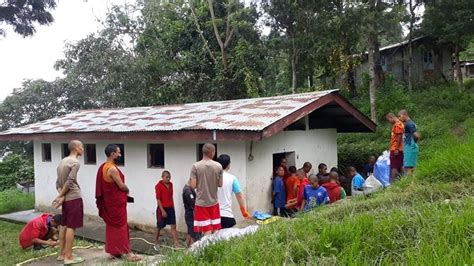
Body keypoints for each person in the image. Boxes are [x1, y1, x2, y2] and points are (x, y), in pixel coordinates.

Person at [95, 144, 141, 261]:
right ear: (112, 154)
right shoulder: (112, 169)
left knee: (111, 227)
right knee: (121, 227)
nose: (120, 155)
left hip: (110, 203)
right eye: (118, 153)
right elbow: (121, 185)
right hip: (116, 204)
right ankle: (126, 253)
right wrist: (127, 189)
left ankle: (113, 251)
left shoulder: (103, 167)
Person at [53, 140, 84, 264]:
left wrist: (61, 196)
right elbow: (70, 181)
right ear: (76, 148)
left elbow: (57, 183)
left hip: (66, 198)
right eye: (81, 147)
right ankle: (69, 257)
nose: (83, 149)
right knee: (72, 226)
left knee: (64, 225)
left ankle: (62, 254)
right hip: (73, 198)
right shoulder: (75, 162)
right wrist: (61, 195)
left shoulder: (62, 161)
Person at [190, 143, 223, 235]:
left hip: (201, 203)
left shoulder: (196, 166)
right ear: (212, 153)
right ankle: (216, 247)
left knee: (206, 230)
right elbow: (220, 184)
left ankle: (207, 248)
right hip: (214, 202)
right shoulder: (218, 166)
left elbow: (193, 185)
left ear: (203, 152)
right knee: (215, 229)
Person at [216, 154, 250, 229]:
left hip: (213, 216)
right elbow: (239, 196)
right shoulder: (232, 178)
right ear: (228, 165)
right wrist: (244, 212)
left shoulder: (212, 177)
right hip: (226, 215)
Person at [155, 170, 180, 248]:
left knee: (173, 226)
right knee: (159, 226)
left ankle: (176, 243)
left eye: (169, 177)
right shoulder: (158, 186)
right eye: (167, 177)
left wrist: (173, 207)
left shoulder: (171, 185)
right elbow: (158, 199)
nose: (168, 179)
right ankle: (156, 241)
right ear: (162, 177)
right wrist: (162, 211)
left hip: (170, 208)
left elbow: (171, 197)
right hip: (162, 208)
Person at [398, 109, 420, 175]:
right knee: (412, 166)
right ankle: (413, 183)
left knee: (408, 167)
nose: (399, 118)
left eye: (400, 116)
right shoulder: (409, 123)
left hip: (410, 147)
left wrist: (413, 144)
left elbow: (416, 135)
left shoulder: (409, 124)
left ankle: (409, 183)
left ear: (404, 115)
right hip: (409, 146)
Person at [386, 112, 405, 183]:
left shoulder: (397, 124)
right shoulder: (398, 124)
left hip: (396, 149)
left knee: (394, 166)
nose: (389, 122)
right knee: (400, 164)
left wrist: (396, 148)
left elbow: (399, 136)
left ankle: (393, 183)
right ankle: (404, 180)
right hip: (399, 148)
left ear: (391, 117)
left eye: (389, 120)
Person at [182, 183, 199, 248]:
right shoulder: (187, 191)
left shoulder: (190, 189)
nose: (196, 186)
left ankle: (186, 248)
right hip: (191, 215)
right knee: (193, 235)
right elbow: (193, 203)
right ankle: (191, 251)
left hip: (190, 215)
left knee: (190, 233)